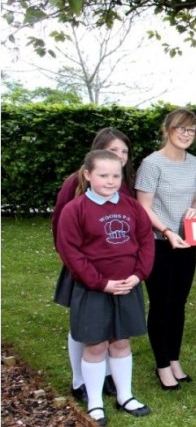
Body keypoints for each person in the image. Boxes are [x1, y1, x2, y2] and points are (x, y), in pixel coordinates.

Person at [56, 149, 155, 426]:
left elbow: (145, 239)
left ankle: (125, 396)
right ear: (88, 175)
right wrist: (101, 283)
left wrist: (138, 275)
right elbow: (71, 252)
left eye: (116, 175)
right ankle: (96, 401)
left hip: (127, 285)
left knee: (121, 342)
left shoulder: (131, 206)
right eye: (103, 175)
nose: (111, 181)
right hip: (94, 289)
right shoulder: (75, 210)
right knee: (95, 346)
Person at [53, 128, 135, 403]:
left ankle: (109, 377)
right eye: (114, 151)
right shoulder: (73, 185)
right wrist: (74, 262)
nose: (120, 156)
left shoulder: (120, 186)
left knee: (112, 328)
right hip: (82, 265)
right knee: (84, 326)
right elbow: (61, 229)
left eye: (124, 152)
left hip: (116, 268)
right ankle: (80, 380)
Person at [136, 109, 196, 391]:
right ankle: (162, 364)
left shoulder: (194, 162)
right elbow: (143, 208)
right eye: (181, 128)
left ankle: (174, 359)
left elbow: (195, 200)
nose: (186, 134)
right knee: (161, 304)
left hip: (185, 244)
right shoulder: (152, 164)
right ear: (167, 129)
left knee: (178, 304)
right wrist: (166, 232)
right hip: (159, 244)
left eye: (191, 130)